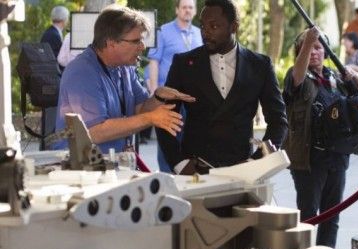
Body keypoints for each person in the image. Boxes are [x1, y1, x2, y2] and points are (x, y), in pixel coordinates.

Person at [156, 0, 288, 175]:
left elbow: (278, 121)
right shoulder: (183, 64)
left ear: (234, 27)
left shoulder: (260, 65)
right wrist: (179, 163)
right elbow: (164, 119)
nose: (205, 32)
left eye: (214, 26)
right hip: (195, 171)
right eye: (202, 26)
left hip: (243, 170)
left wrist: (255, 161)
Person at [54, 6, 195, 154]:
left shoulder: (125, 67)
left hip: (113, 165)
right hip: (80, 170)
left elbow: (140, 109)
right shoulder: (82, 72)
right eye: (136, 41)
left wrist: (158, 96)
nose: (142, 47)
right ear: (111, 43)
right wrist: (150, 118)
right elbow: (95, 131)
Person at [283, 27, 358, 248]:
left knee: (332, 217)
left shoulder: (333, 76)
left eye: (318, 47)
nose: (313, 52)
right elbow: (297, 78)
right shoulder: (297, 74)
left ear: (326, 52)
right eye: (307, 48)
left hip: (337, 157)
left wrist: (352, 74)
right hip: (309, 160)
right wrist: (309, 40)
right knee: (309, 217)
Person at [146, 0, 202, 171]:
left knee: (191, 139)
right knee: (167, 137)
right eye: (184, 7)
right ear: (177, 10)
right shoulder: (164, 31)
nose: (187, 10)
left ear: (195, 11)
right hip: (168, 97)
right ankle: (167, 175)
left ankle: (188, 174)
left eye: (190, 7)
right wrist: (155, 93)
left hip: (193, 99)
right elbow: (154, 62)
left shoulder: (199, 33)